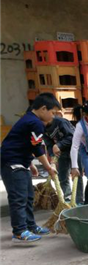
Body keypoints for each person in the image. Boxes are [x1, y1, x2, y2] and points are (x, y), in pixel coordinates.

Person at [1, 93, 59, 243]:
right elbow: (38, 149)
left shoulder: (29, 118)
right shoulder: (35, 123)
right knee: (19, 198)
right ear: (43, 109)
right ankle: (19, 232)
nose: (52, 117)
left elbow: (25, 144)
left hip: (21, 162)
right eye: (52, 113)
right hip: (12, 163)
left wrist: (30, 164)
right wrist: (48, 168)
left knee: (28, 197)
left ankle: (30, 226)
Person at [43, 114, 83, 204]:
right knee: (62, 176)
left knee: (77, 175)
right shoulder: (43, 128)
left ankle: (79, 201)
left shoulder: (61, 122)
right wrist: (53, 157)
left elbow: (72, 137)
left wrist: (59, 145)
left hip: (75, 150)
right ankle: (68, 198)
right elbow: (49, 144)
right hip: (61, 152)